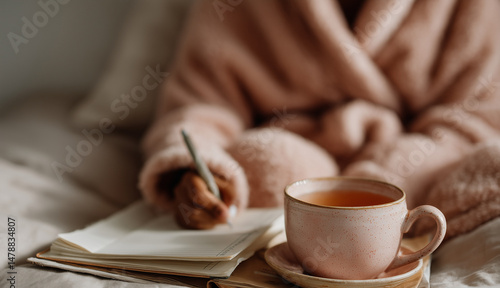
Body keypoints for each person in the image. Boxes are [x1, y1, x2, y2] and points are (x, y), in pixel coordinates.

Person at [139, 0, 500, 236]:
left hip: (412, 161)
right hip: (288, 166)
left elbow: (476, 119)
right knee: (268, 165)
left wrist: (380, 180)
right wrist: (197, 169)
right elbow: (200, 105)